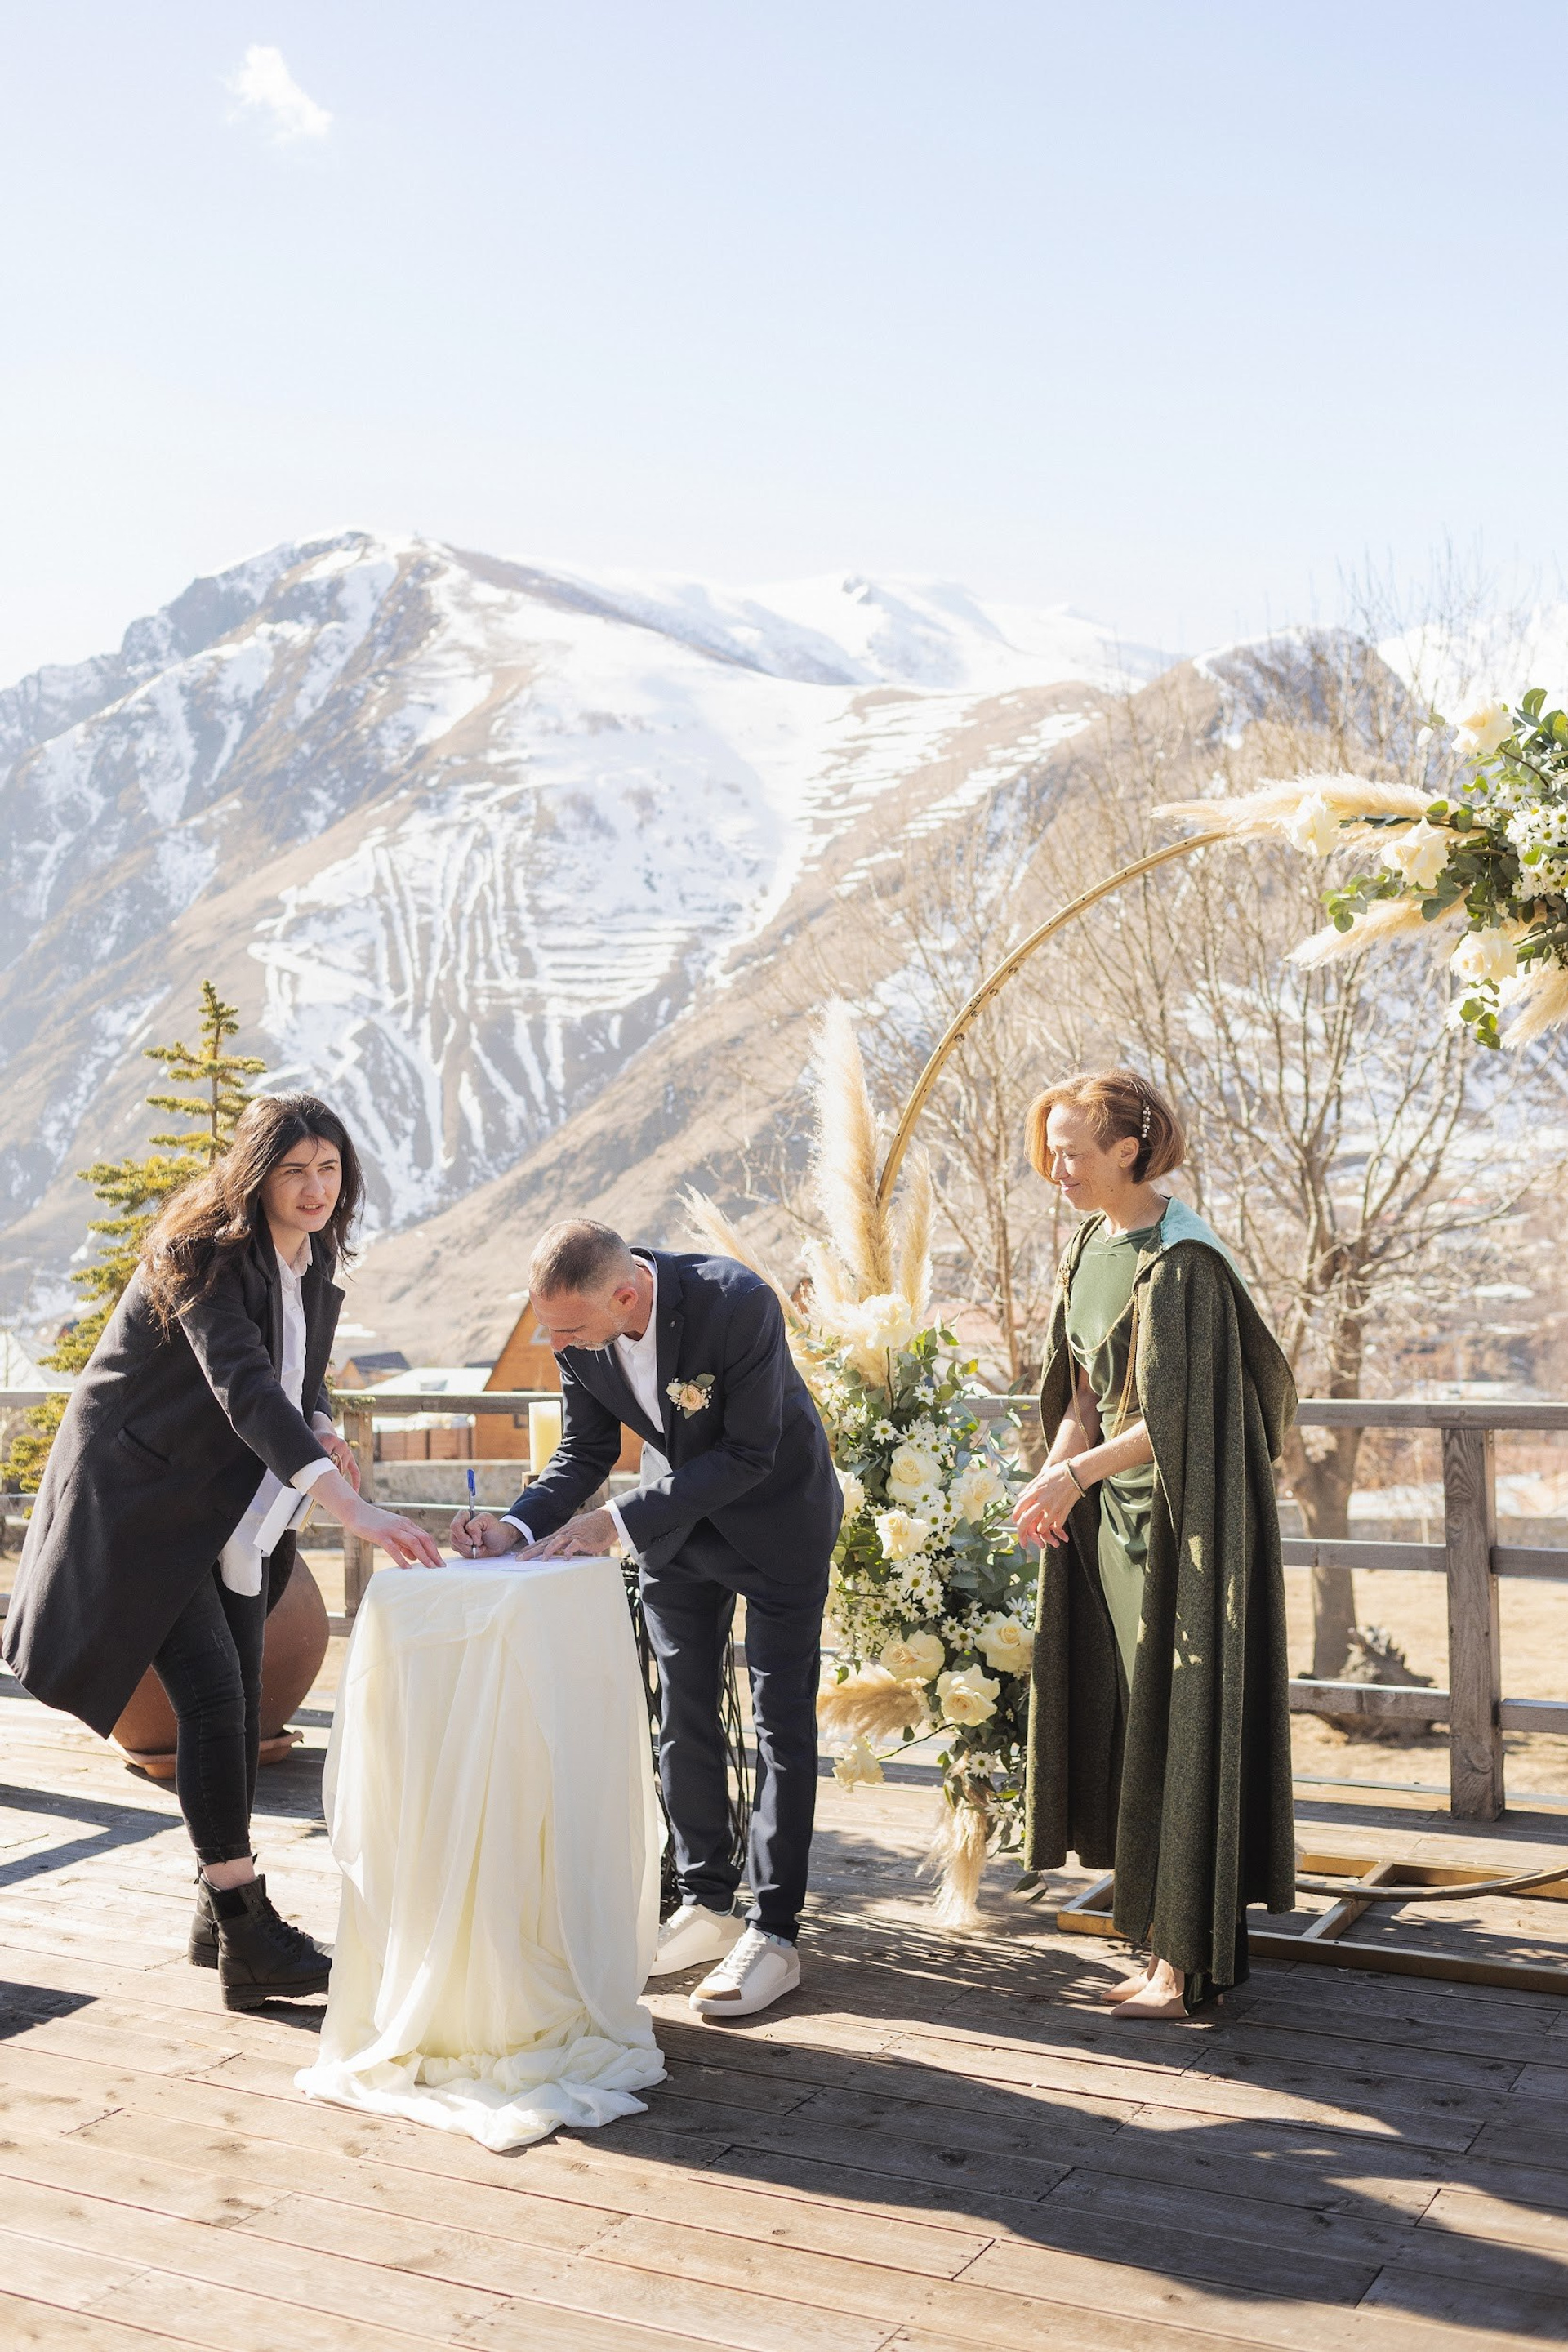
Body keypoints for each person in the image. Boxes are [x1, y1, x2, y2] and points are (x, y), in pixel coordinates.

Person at [3, 1094, 443, 2011]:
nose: (315, 1188)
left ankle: (215, 1908)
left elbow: (294, 1378)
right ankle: (247, 1927)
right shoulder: (199, 1254)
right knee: (207, 1697)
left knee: (238, 1706)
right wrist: (351, 1510)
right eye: (295, 1170)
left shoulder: (309, 1258)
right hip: (141, 1502)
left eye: (329, 1169)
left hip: (227, 1507)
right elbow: (243, 1388)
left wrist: (322, 1425)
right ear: (257, 1173)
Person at [453, 1220, 842, 2019]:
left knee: (780, 1726)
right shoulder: (574, 1328)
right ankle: (705, 1902)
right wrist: (517, 1527)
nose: (553, 1341)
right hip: (678, 1532)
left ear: (625, 1295)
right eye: (547, 1324)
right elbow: (584, 1452)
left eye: (566, 1329)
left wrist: (614, 1526)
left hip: (778, 1527)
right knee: (682, 1714)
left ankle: (774, 1934)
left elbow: (748, 1453)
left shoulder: (738, 1303)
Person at [1013, 1070, 1296, 2016]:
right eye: (1051, 1150)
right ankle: (1155, 1940)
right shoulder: (1094, 1244)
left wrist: (1076, 1476)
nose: (1056, 1168)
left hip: (1185, 1530)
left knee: (1183, 1724)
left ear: (1129, 1150)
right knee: (1138, 1720)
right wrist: (1057, 1468)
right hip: (1111, 1527)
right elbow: (1089, 1391)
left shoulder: (1180, 1264)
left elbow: (1178, 1421)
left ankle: (1184, 1966)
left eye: (1073, 1152)